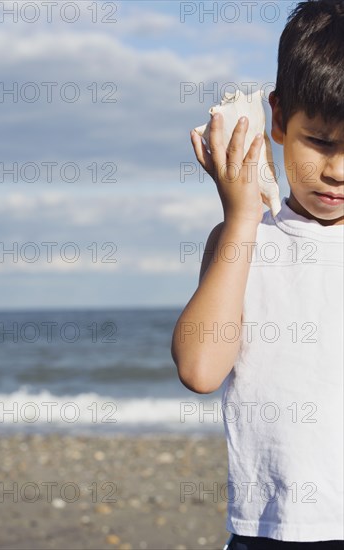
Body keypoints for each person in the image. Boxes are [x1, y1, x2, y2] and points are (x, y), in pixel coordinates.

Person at [171, 0, 344, 547]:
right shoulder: (244, 240)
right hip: (269, 530)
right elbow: (201, 369)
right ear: (277, 119)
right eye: (320, 141)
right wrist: (241, 215)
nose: (337, 169)